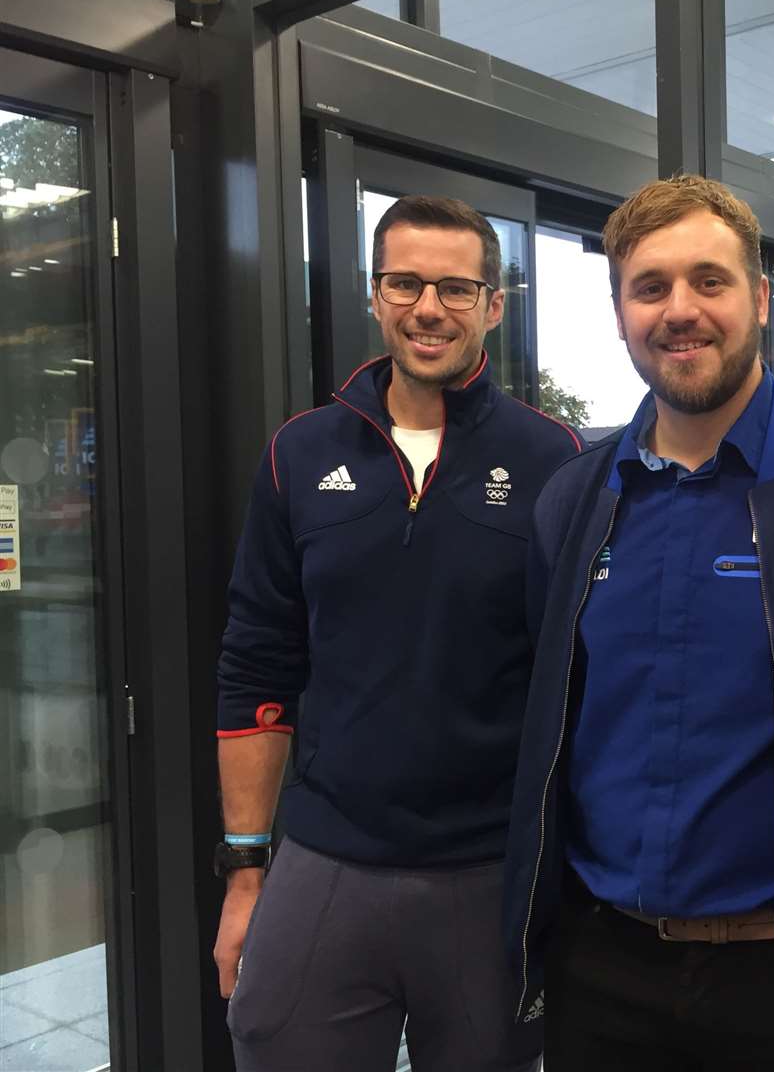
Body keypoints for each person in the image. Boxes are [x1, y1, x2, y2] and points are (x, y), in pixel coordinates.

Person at [503, 174, 774, 1071]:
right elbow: (550, 719)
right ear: (620, 311)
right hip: (600, 970)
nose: (681, 310)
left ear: (759, 298)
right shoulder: (576, 500)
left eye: (709, 281)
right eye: (650, 287)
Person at [213, 194, 581, 1072]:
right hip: (328, 854)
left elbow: (577, 676)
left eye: (457, 288)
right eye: (405, 283)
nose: (428, 308)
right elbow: (257, 657)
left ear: (495, 305)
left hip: (490, 870)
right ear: (374, 295)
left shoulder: (555, 460)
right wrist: (244, 871)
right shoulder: (297, 454)